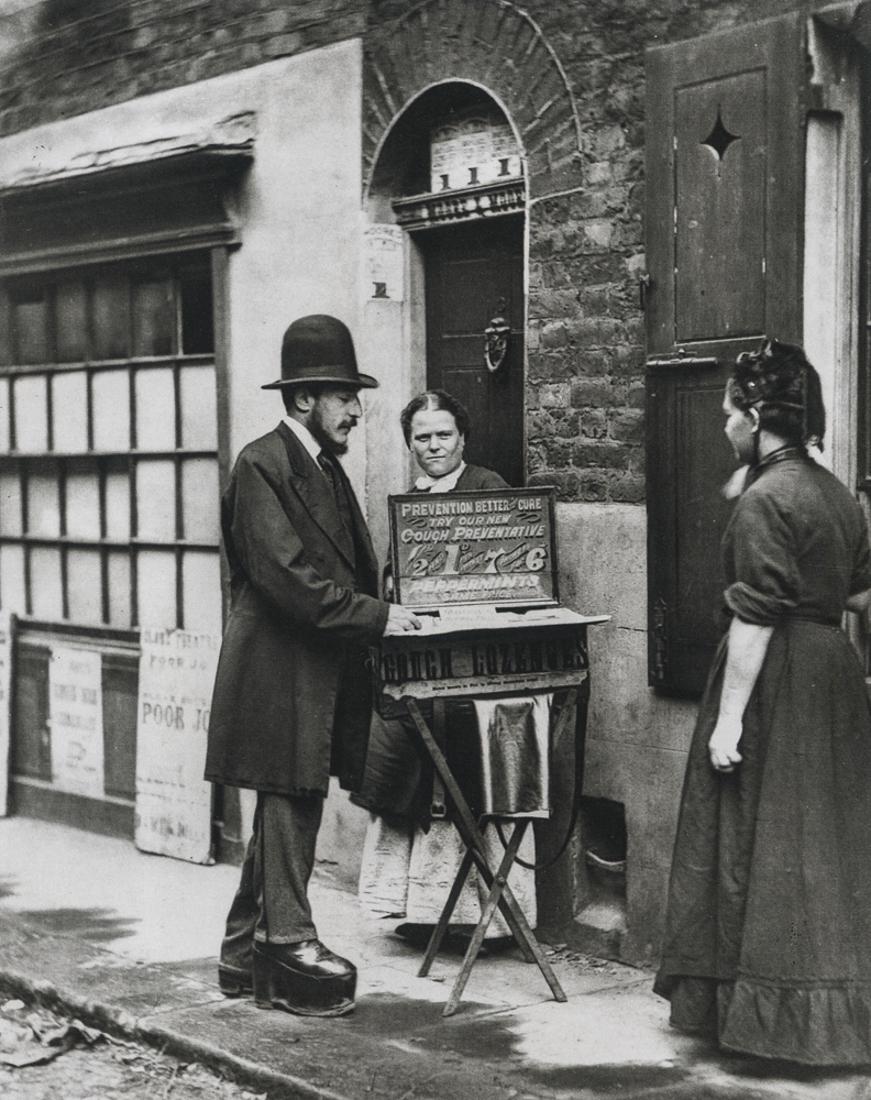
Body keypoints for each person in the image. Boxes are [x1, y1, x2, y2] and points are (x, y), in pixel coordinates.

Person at [654, 338, 871, 1066]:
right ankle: (833, 1013)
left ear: (753, 415)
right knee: (822, 842)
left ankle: (771, 1020)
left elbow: (753, 617)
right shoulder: (833, 491)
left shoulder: (764, 498)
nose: (723, 426)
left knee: (762, 836)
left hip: (776, 675)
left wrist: (726, 720)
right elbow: (859, 593)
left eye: (728, 413)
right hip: (831, 675)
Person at [205, 314, 420, 1018]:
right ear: (304, 400)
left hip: (313, 668)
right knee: (288, 798)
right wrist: (381, 618)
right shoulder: (262, 463)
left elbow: (345, 568)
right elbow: (289, 581)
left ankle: (242, 957)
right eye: (344, 396)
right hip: (277, 667)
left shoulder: (321, 467)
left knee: (287, 800)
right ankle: (286, 941)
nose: (357, 410)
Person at [354, 389, 539, 943]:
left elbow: (516, 570)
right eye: (422, 438)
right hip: (423, 662)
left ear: (463, 439)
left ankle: (481, 918)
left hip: (479, 665)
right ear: (410, 444)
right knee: (411, 769)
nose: (433, 446)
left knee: (471, 778)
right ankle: (424, 912)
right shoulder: (409, 501)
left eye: (443, 435)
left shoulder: (489, 490)